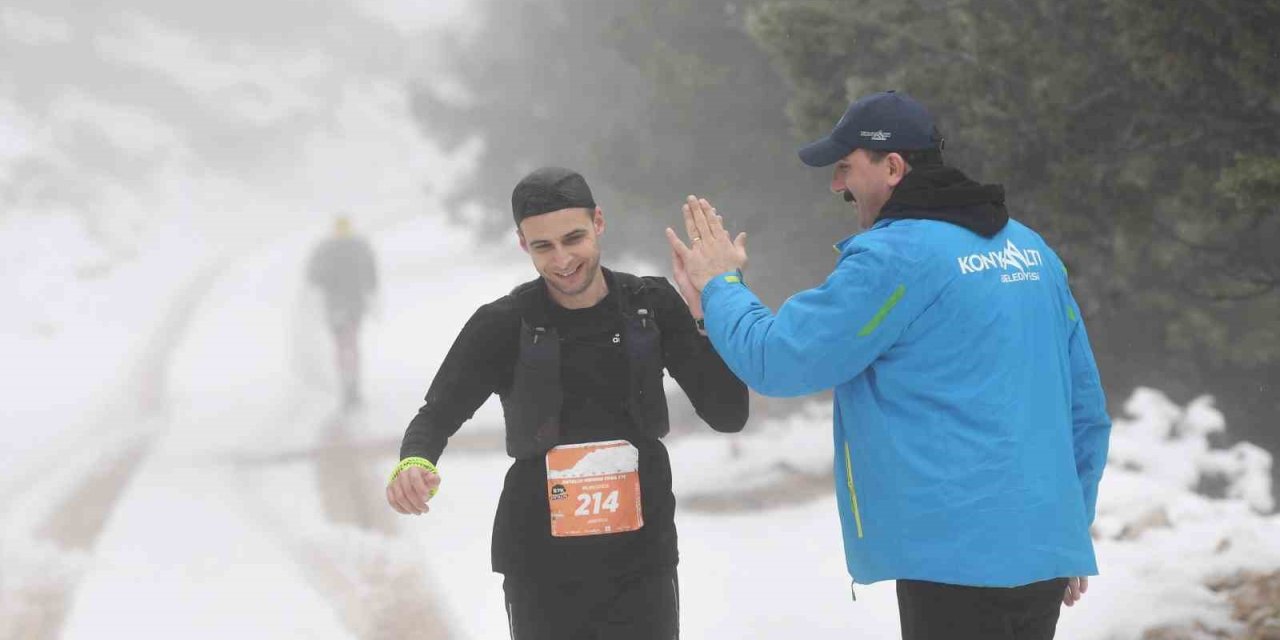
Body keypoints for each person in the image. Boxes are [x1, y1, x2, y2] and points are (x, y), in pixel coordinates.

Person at [665, 90, 1112, 640]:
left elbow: (779, 359)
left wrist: (720, 285)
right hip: (1041, 550)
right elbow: (1086, 411)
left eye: (846, 167)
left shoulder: (897, 255)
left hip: (955, 560)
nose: (836, 184)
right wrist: (1066, 531)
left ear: (893, 167)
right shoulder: (1031, 251)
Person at [386, 167, 749, 639]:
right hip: (540, 568)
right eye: (543, 246)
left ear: (599, 222)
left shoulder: (650, 305)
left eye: (572, 238)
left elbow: (728, 413)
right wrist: (413, 461)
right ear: (522, 244)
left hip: (642, 564)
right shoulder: (503, 323)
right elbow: (436, 415)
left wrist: (710, 311)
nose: (561, 260)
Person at [307, 215, 378, 407]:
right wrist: (370, 291)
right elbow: (372, 275)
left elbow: (312, 277)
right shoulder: (358, 247)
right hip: (353, 304)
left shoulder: (326, 250)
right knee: (351, 343)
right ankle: (352, 383)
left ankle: (346, 383)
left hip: (336, 305)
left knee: (342, 345)